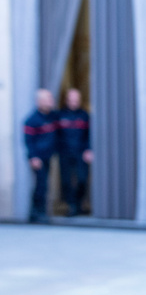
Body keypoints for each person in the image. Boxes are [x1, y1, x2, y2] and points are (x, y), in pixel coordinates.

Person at [23, 88, 58, 222]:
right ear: (39, 101)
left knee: (44, 185)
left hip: (48, 156)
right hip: (38, 158)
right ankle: (36, 213)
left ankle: (39, 212)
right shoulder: (32, 120)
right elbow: (29, 141)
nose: (51, 101)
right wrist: (33, 157)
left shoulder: (52, 117)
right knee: (40, 185)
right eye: (48, 99)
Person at [57, 88, 92, 216]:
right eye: (72, 100)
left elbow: (90, 135)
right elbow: (55, 134)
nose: (74, 103)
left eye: (76, 100)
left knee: (82, 179)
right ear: (67, 100)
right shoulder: (60, 115)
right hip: (65, 153)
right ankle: (71, 205)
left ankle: (79, 204)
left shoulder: (84, 116)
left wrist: (89, 149)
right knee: (66, 181)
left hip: (80, 152)